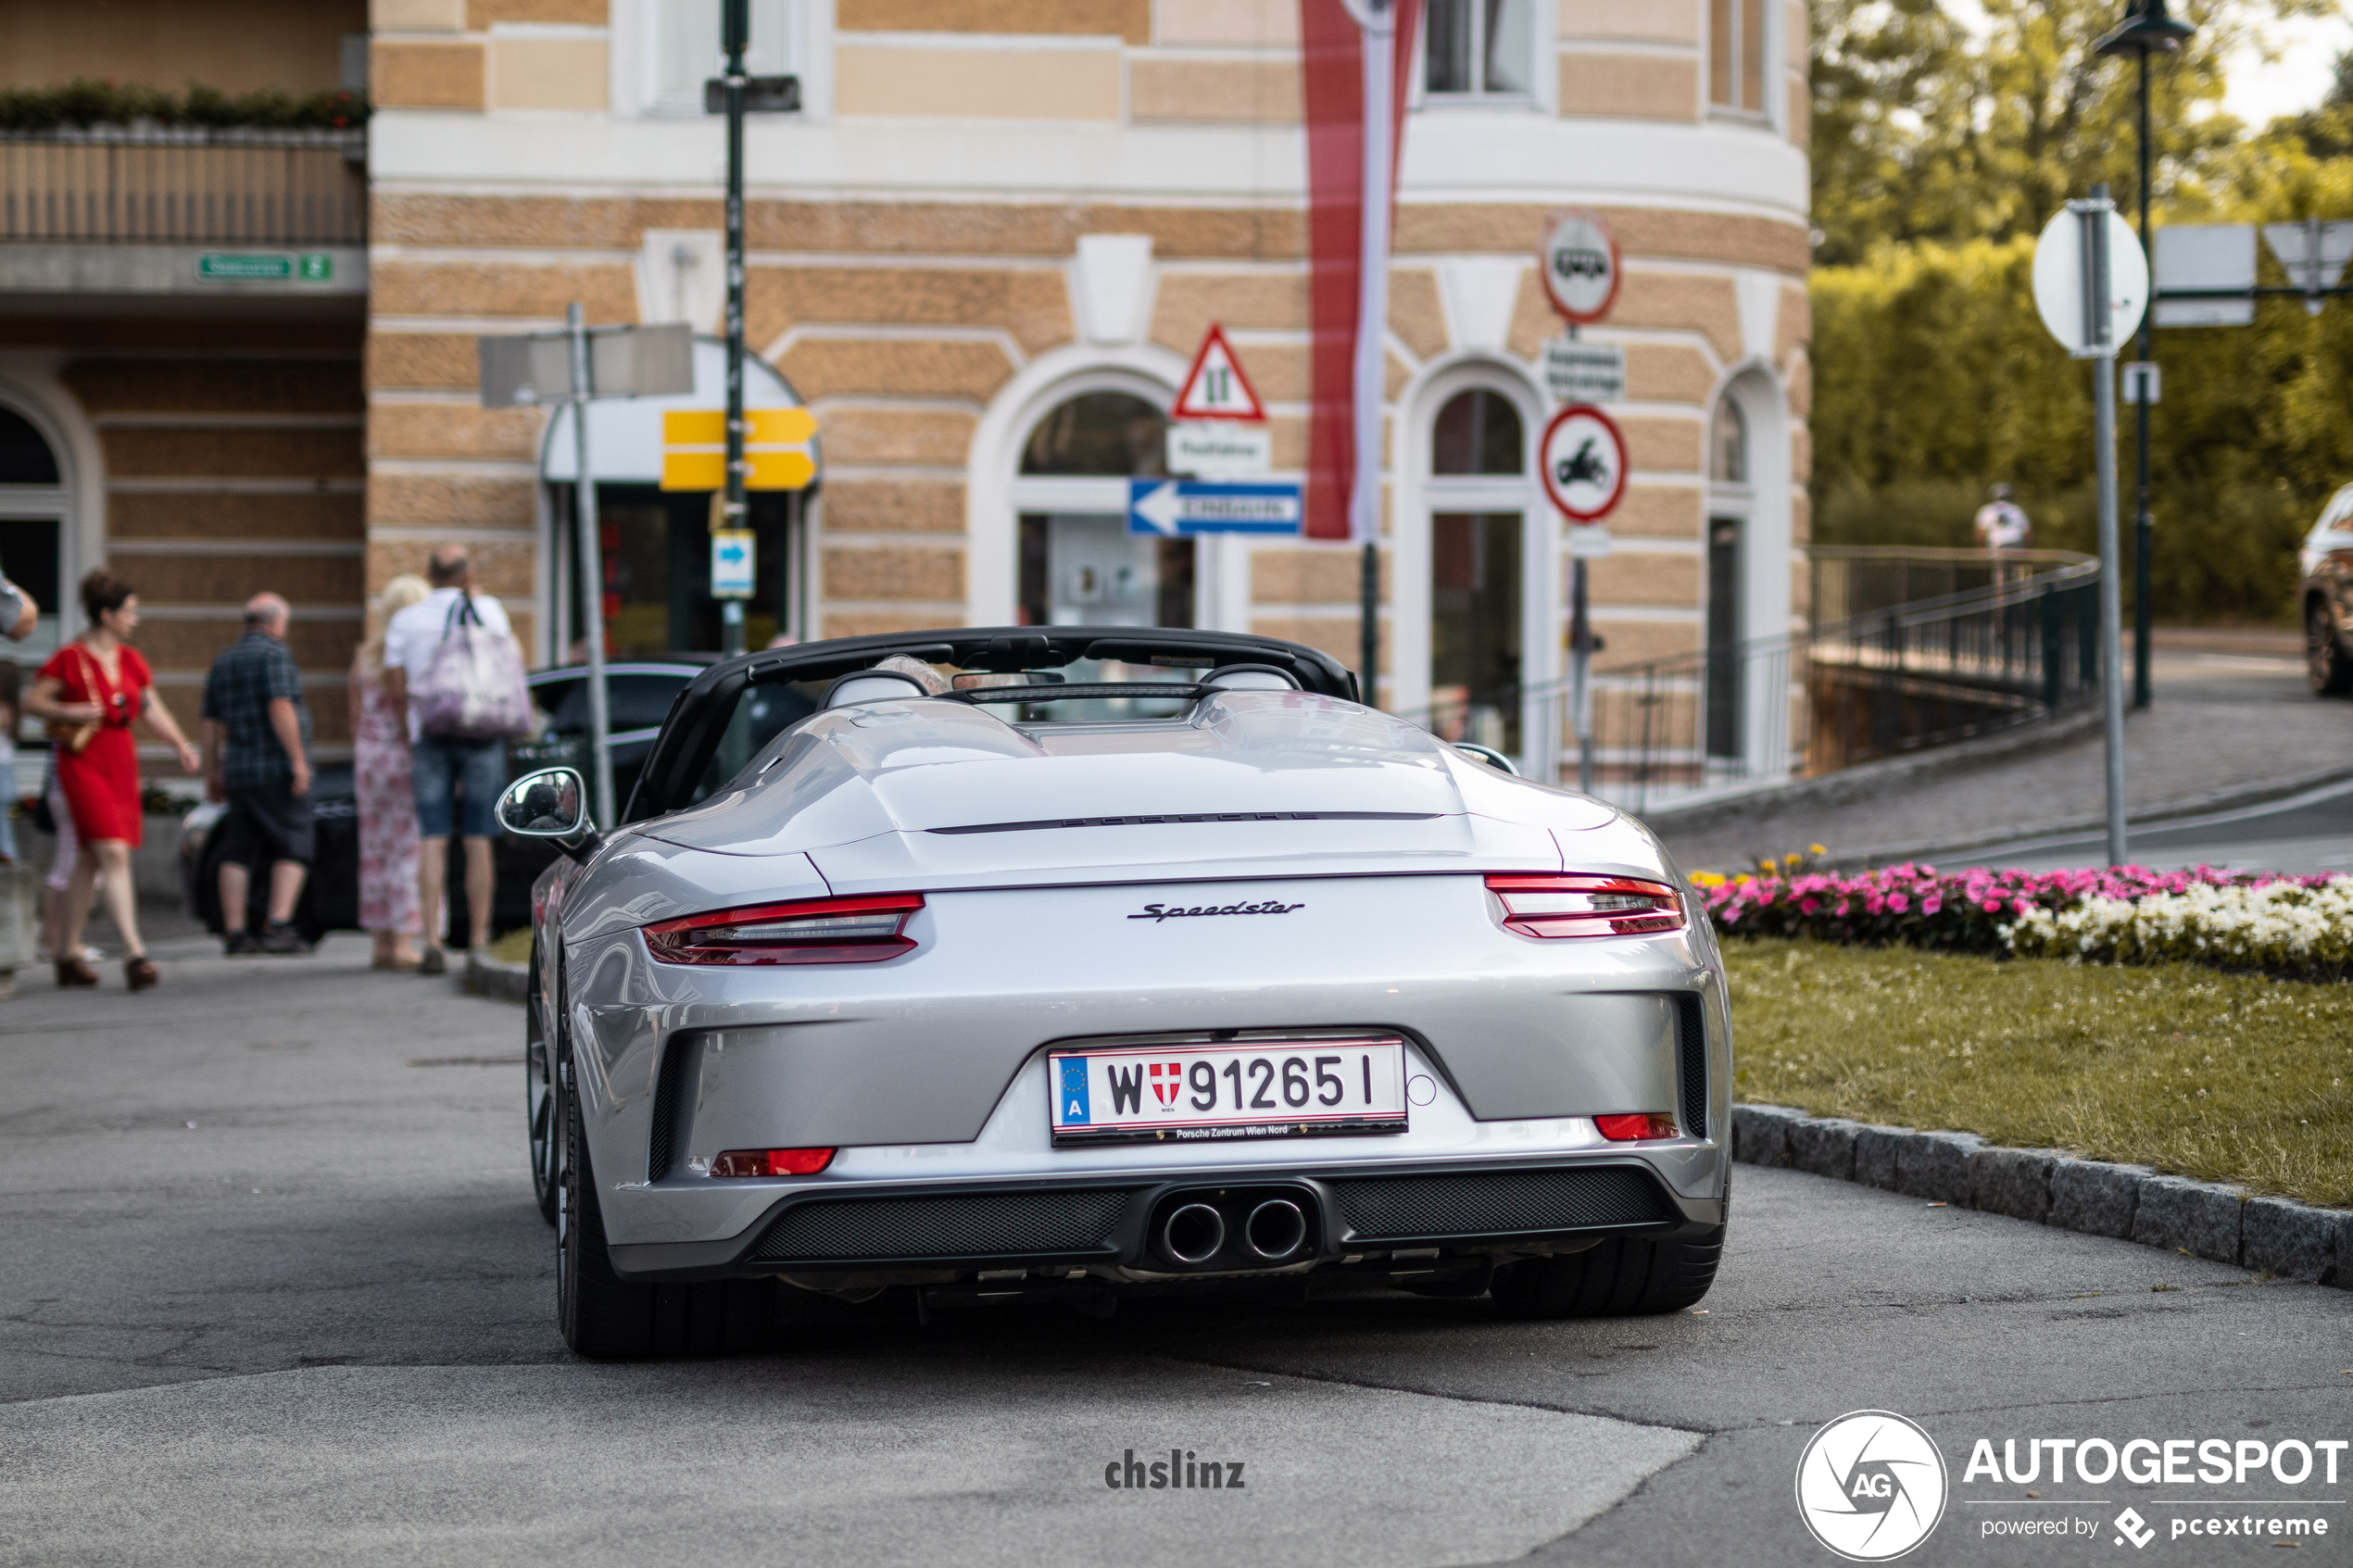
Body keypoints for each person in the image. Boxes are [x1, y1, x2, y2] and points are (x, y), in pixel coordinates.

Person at [23, 571, 200, 990]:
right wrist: (69, 713)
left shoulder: (131, 660)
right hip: (82, 761)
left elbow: (152, 710)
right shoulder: (69, 658)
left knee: (90, 857)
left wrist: (181, 745)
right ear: (107, 615)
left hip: (120, 760)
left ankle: (67, 954)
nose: (134, 620)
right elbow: (32, 701)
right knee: (115, 855)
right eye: (129, 612)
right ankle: (136, 954)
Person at [383, 546, 512, 975]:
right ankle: (477, 940)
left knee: (432, 838)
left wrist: (408, 733)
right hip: (481, 729)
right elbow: (507, 664)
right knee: (479, 837)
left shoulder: (406, 620)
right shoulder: (488, 609)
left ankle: (432, 942)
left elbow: (396, 687)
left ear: (428, 573)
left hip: (431, 734)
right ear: (467, 574)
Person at [200, 593, 314, 956]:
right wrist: (298, 759)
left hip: (238, 771)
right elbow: (280, 706)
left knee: (238, 848)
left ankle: (235, 933)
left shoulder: (224, 660)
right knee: (295, 842)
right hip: (274, 769)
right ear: (275, 622)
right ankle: (278, 926)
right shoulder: (274, 653)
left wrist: (212, 771)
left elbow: (209, 724)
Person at [352, 574, 428, 971]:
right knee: (406, 849)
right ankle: (402, 941)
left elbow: (355, 715)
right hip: (401, 757)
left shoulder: (364, 655)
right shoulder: (409, 653)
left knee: (375, 851)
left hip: (368, 760)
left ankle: (380, 943)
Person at [1973, 483, 2031, 551]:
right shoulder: (2016, 510)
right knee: (2017, 560)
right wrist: (2029, 550)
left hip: (1997, 545)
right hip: (2015, 544)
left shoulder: (1987, 511)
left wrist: (1981, 549)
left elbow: (1980, 533)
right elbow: (2027, 533)